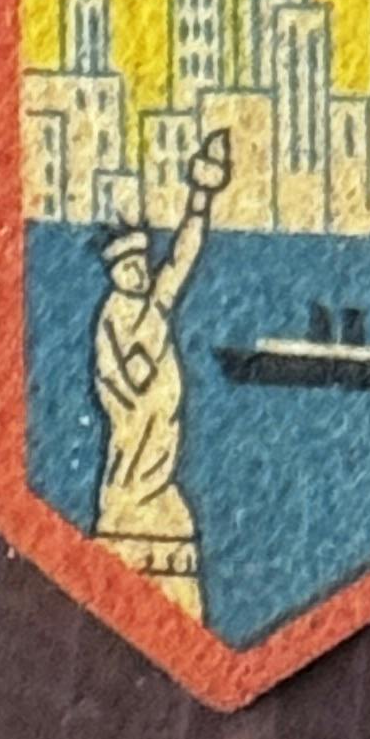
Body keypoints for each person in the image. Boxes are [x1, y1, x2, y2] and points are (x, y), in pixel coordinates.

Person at [91, 128, 233, 623]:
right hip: (133, 472)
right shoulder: (114, 317)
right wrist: (145, 355)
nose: (137, 273)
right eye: (126, 268)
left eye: (138, 264)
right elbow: (124, 376)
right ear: (113, 274)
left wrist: (201, 197)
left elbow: (182, 257)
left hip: (162, 462)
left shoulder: (151, 304)